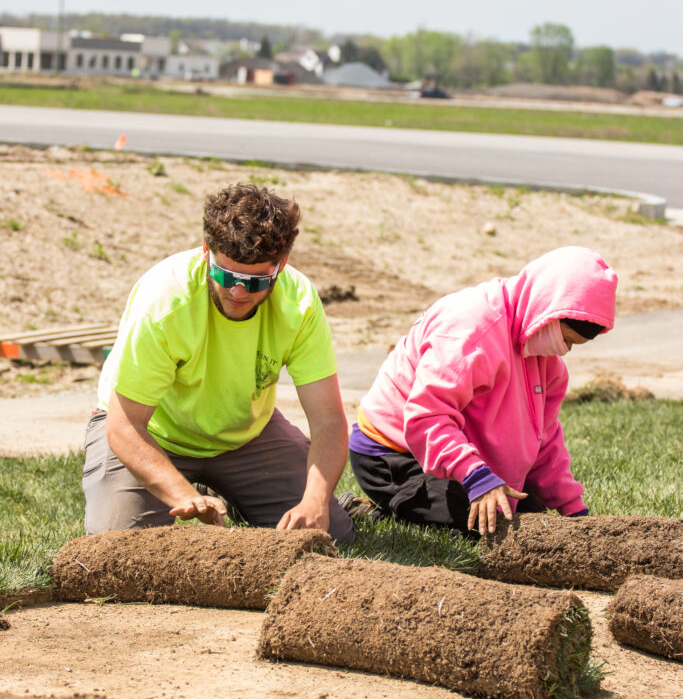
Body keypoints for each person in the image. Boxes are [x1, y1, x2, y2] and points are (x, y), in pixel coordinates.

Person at [83, 183, 354, 543]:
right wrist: (183, 495)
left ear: (281, 265)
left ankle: (234, 491)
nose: (238, 292)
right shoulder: (165, 301)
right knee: (119, 543)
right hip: (155, 434)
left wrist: (315, 500)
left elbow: (328, 420)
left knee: (331, 533)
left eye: (255, 281)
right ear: (206, 251)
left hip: (245, 436)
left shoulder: (299, 302)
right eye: (226, 276)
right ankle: (200, 487)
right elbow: (124, 425)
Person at [348, 246, 618, 536]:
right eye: (566, 339)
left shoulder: (546, 362)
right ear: (547, 311)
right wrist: (476, 477)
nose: (565, 351)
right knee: (484, 526)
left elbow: (545, 441)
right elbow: (426, 418)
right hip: (393, 453)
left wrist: (574, 510)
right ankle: (372, 512)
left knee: (529, 516)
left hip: (451, 447)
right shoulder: (471, 330)